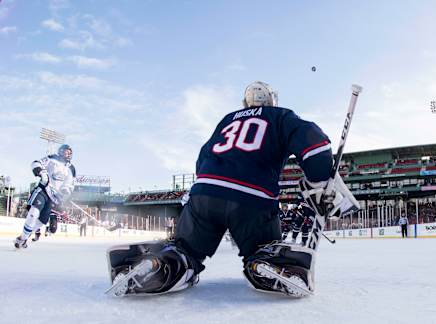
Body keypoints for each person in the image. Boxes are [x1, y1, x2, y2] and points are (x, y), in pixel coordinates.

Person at [106, 81, 358, 297]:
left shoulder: (226, 120)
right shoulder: (281, 116)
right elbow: (313, 142)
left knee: (187, 250)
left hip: (205, 193)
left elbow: (201, 159)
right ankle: (266, 264)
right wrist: (320, 179)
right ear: (273, 100)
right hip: (252, 198)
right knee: (262, 248)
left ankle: (163, 264)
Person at [14, 144, 76, 248]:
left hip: (54, 198)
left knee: (41, 222)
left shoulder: (71, 168)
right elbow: (36, 163)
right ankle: (23, 239)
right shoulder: (51, 159)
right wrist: (42, 173)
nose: (68, 153)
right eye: (66, 151)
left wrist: (65, 191)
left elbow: (70, 184)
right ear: (60, 151)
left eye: (69, 152)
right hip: (43, 190)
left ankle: (24, 237)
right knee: (34, 213)